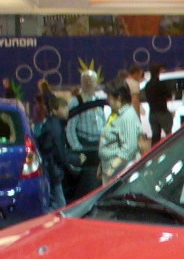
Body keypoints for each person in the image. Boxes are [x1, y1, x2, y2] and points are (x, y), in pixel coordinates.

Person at [65, 69, 109, 199]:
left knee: (99, 176)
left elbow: (103, 121)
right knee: (87, 179)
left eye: (92, 81)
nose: (89, 83)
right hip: (83, 144)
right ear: (81, 83)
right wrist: (77, 147)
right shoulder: (75, 101)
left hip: (98, 143)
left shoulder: (99, 100)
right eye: (86, 81)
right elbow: (70, 127)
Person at [97, 81, 141, 182]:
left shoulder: (128, 116)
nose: (107, 100)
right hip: (109, 169)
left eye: (109, 96)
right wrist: (102, 166)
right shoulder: (115, 114)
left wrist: (112, 168)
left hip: (121, 172)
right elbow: (107, 141)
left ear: (119, 97)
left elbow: (129, 148)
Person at [37, 94, 72, 209]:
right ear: (55, 110)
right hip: (53, 169)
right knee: (60, 205)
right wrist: (71, 162)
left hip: (51, 168)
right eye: (64, 107)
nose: (67, 110)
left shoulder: (52, 124)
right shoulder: (56, 127)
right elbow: (59, 151)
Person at [142, 64, 173, 143]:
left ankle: (155, 150)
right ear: (158, 72)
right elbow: (169, 96)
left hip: (152, 113)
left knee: (155, 137)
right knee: (170, 133)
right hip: (162, 112)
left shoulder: (147, 85)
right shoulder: (161, 84)